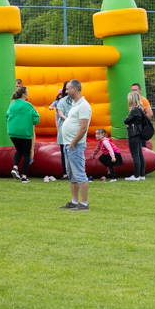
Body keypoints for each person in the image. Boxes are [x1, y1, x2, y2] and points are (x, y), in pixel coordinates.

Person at [58, 80, 92, 211]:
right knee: (72, 175)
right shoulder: (75, 104)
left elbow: (83, 128)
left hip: (75, 145)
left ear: (74, 89)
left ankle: (84, 204)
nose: (66, 92)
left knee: (79, 174)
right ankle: (74, 201)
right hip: (68, 144)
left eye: (67, 89)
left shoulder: (84, 105)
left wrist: (73, 144)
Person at [6, 86, 40, 183]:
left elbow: (7, 116)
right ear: (24, 94)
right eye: (27, 92)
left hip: (13, 132)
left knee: (19, 150)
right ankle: (24, 176)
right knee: (26, 153)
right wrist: (35, 112)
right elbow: (36, 119)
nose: (28, 93)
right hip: (24, 133)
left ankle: (15, 167)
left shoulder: (12, 104)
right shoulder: (28, 105)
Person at [124, 92, 148, 181]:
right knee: (140, 154)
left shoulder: (134, 110)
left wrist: (127, 119)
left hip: (134, 134)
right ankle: (142, 174)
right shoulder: (140, 109)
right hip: (139, 134)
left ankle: (136, 175)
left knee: (135, 155)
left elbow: (126, 121)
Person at [51, 85, 69, 180]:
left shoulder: (64, 101)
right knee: (65, 151)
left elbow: (61, 114)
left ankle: (67, 173)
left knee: (66, 151)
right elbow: (60, 114)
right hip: (65, 127)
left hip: (66, 127)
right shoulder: (61, 102)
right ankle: (67, 173)